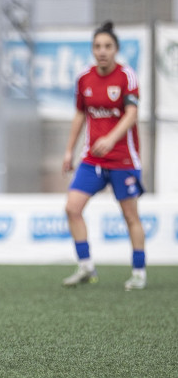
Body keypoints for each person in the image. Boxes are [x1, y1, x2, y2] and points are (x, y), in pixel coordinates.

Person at [61, 21, 146, 291]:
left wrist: (111, 139)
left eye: (108, 46)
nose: (102, 51)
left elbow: (132, 114)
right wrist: (69, 150)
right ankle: (86, 266)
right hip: (92, 160)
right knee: (72, 208)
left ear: (116, 49)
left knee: (130, 216)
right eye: (97, 46)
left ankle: (139, 272)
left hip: (123, 159)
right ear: (92, 50)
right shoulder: (84, 78)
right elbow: (79, 114)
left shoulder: (126, 77)